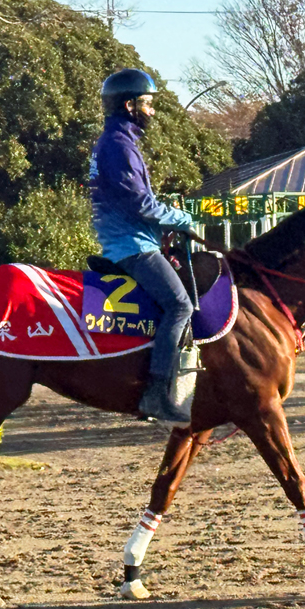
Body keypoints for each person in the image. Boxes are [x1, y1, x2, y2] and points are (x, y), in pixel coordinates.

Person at [89, 68, 196, 424]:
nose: (152, 111)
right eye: (148, 104)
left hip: (132, 239)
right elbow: (140, 205)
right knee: (180, 305)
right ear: (130, 104)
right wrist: (179, 218)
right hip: (131, 246)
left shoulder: (119, 141)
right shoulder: (119, 146)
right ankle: (155, 394)